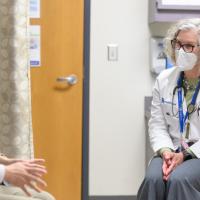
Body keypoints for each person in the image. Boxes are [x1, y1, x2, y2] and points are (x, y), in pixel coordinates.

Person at [137, 18, 200, 200]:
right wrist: (166, 152)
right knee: (153, 179)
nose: (181, 50)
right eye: (177, 44)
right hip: (171, 149)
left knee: (179, 179)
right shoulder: (164, 79)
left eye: (188, 46)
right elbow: (157, 124)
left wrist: (186, 154)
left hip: (196, 152)